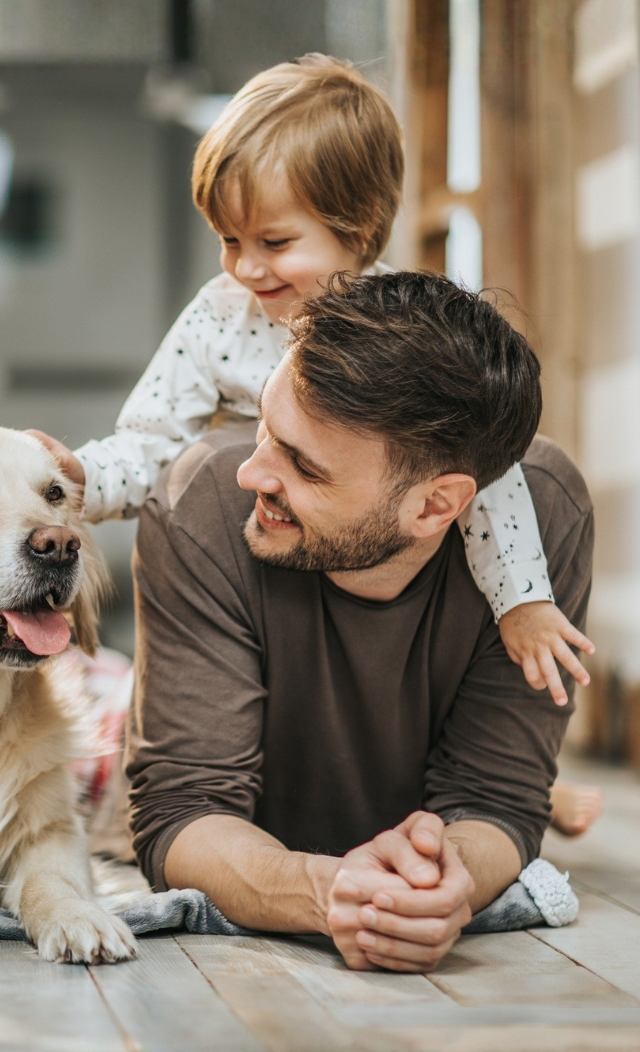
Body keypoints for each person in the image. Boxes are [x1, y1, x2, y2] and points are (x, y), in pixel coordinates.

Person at [31, 54, 602, 835]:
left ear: (356, 229)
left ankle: (530, 787)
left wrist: (523, 600)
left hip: (371, 582)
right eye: (227, 239)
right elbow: (151, 439)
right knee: (122, 723)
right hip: (269, 582)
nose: (244, 266)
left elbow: (486, 474)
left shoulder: (405, 339)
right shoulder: (220, 316)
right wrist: (81, 478)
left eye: (272, 240)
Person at [126, 270, 592, 972]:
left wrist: (445, 884)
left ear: (436, 506)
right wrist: (329, 891)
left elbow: (496, 799)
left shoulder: (546, 517)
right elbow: (182, 810)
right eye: (265, 428)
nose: (252, 474)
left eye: (304, 467)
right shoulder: (201, 504)